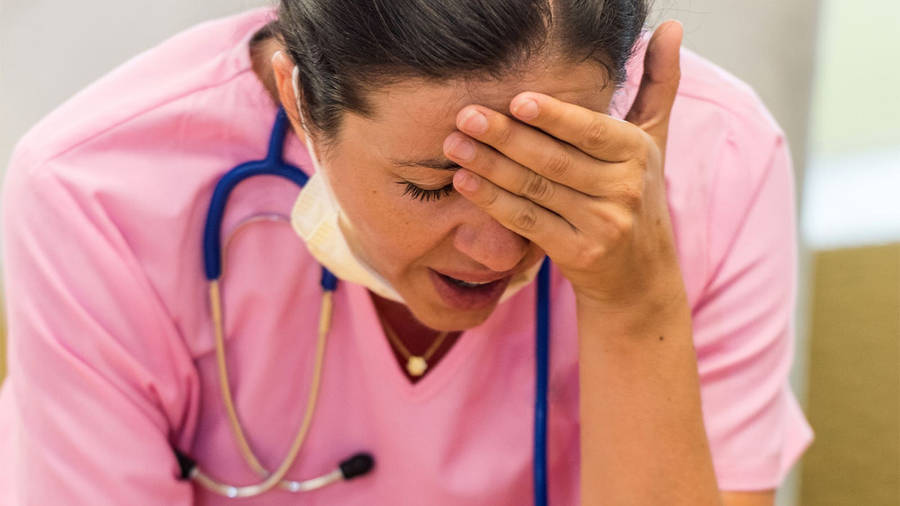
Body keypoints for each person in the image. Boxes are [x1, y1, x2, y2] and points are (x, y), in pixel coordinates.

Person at [0, 2, 812, 505]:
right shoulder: (94, 194)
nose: (497, 248)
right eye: (431, 187)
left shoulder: (719, 160)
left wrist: (633, 300)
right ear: (298, 98)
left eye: (549, 186)